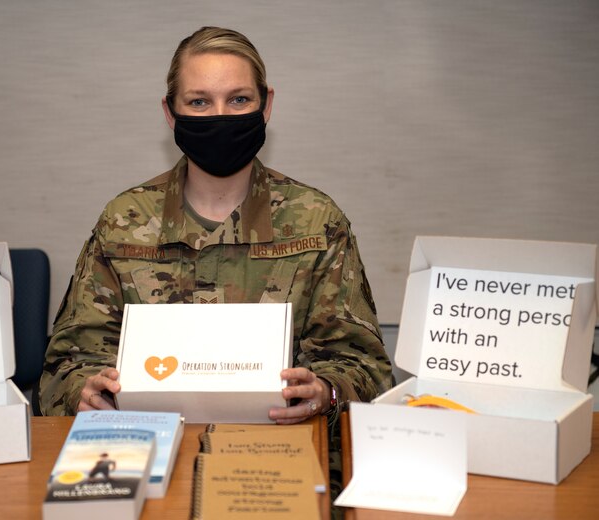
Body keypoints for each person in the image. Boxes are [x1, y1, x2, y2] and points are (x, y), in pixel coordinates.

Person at [41, 26, 393, 501]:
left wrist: (325, 392)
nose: (220, 116)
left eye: (239, 99)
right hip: (141, 463)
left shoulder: (316, 222)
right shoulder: (125, 221)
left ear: (266, 106)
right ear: (171, 113)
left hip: (278, 467)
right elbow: (68, 363)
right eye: (200, 102)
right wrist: (84, 392)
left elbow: (365, 368)